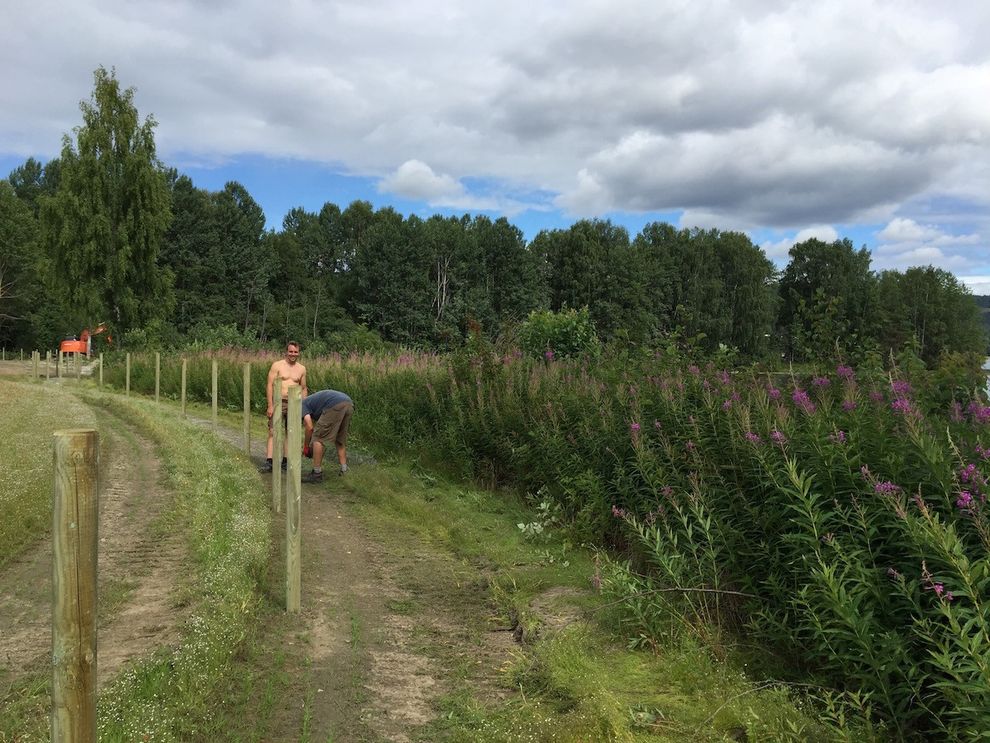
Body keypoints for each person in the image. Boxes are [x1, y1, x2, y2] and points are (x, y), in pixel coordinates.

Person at [260, 341, 307, 473]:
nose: (293, 354)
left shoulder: (302, 369)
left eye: (295, 352)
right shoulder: (277, 365)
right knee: (272, 430)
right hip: (278, 401)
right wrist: (270, 405)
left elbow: (303, 388)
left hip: (294, 403)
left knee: (290, 432)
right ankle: (269, 461)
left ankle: (285, 462)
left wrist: (305, 406)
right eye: (291, 351)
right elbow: (269, 385)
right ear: (286, 352)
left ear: (299, 353)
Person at [300, 389, 353, 483]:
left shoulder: (302, 404)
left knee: (318, 438)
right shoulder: (312, 402)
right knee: (340, 439)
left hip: (335, 405)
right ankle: (344, 470)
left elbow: (309, 427)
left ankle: (316, 474)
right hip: (348, 403)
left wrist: (306, 447)